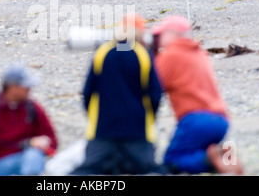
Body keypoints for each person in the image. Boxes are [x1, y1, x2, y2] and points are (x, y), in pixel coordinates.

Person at [70, 13, 163, 175]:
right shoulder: (143, 54)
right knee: (149, 170)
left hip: (104, 130)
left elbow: (88, 92)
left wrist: (93, 118)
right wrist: (150, 118)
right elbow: (155, 94)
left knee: (87, 170)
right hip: (137, 131)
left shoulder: (103, 52)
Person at [152, 15, 243, 175]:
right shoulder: (199, 54)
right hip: (221, 119)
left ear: (172, 34)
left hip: (196, 120)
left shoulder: (171, 55)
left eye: (160, 35)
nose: (157, 39)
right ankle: (224, 156)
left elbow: (153, 86)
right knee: (192, 153)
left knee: (171, 161)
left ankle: (211, 158)